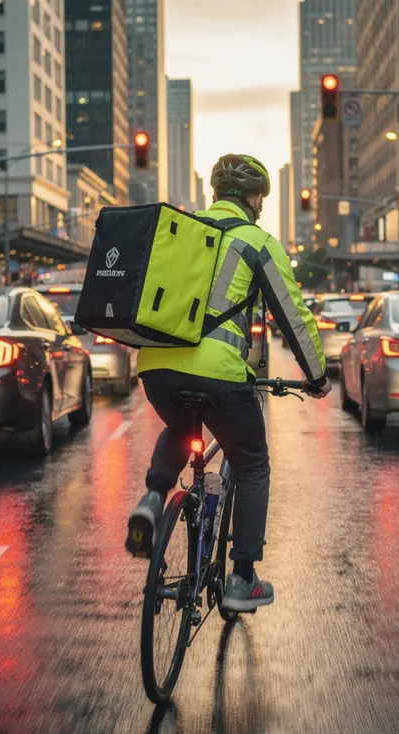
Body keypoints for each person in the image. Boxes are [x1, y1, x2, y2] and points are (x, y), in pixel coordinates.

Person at [124, 154, 331, 612]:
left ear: (215, 194)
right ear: (255, 200)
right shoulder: (257, 241)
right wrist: (316, 376)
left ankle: (152, 500)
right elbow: (294, 317)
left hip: (157, 368)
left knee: (180, 427)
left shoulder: (179, 231)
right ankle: (241, 579)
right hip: (220, 375)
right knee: (252, 464)